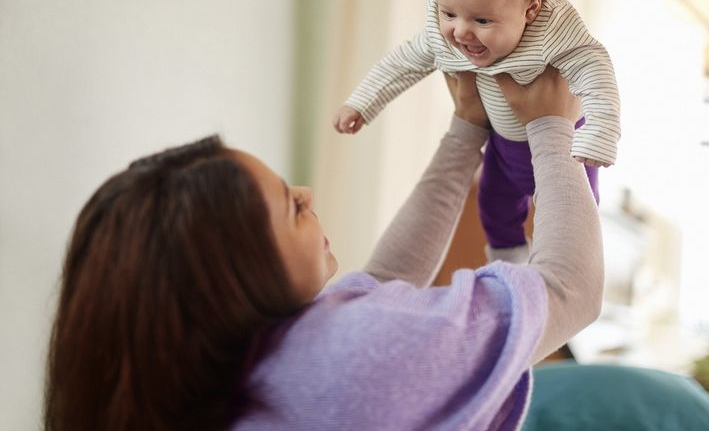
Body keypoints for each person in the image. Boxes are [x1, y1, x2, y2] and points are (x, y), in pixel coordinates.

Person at [45, 66, 603, 431]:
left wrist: (464, 131)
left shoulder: (251, 368)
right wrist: (552, 128)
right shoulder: (344, 363)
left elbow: (380, 281)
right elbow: (569, 289)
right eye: (291, 205)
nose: (308, 194)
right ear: (237, 271)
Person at [333, 0, 620, 264]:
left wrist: (600, 130)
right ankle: (508, 260)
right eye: (449, 14)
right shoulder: (444, 35)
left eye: (482, 20)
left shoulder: (551, 30)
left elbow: (594, 67)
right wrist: (361, 102)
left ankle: (571, 264)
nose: (461, 32)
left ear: (531, 9)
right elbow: (403, 63)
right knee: (493, 204)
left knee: (576, 211)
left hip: (565, 146)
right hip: (502, 144)